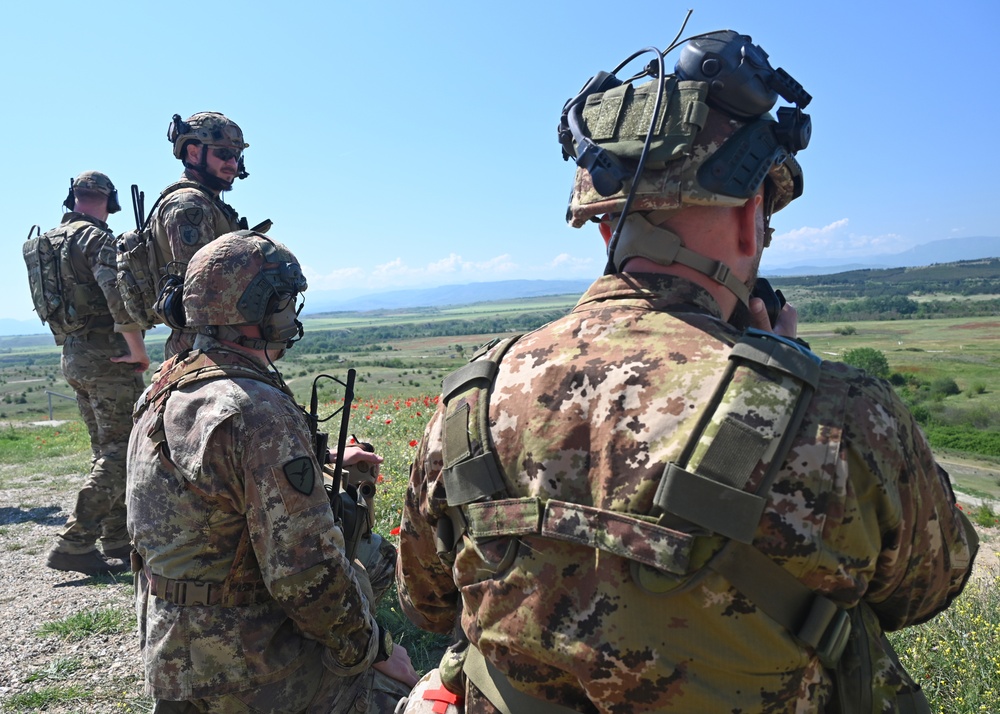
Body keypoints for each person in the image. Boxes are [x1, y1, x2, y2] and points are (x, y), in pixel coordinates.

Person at [395, 29, 978, 713]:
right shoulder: (843, 414)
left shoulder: (473, 400)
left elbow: (425, 602)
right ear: (750, 216)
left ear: (605, 225)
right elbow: (929, 586)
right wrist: (781, 378)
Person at [126, 232, 418, 713]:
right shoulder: (256, 410)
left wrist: (319, 459)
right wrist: (375, 650)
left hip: (175, 666)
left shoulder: (160, 392)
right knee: (411, 696)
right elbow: (306, 574)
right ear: (268, 310)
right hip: (251, 671)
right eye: (286, 302)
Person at [25, 171, 149, 576]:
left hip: (74, 353)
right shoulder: (96, 239)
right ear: (110, 201)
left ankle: (117, 539)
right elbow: (118, 297)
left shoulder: (51, 239)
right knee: (123, 451)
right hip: (109, 356)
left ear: (72, 197)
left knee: (106, 450)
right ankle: (75, 540)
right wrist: (137, 350)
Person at [154, 111, 252, 359]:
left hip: (217, 338)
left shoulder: (209, 203)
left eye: (236, 155)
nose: (232, 163)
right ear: (194, 152)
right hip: (203, 343)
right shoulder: (189, 205)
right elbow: (202, 293)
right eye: (223, 153)